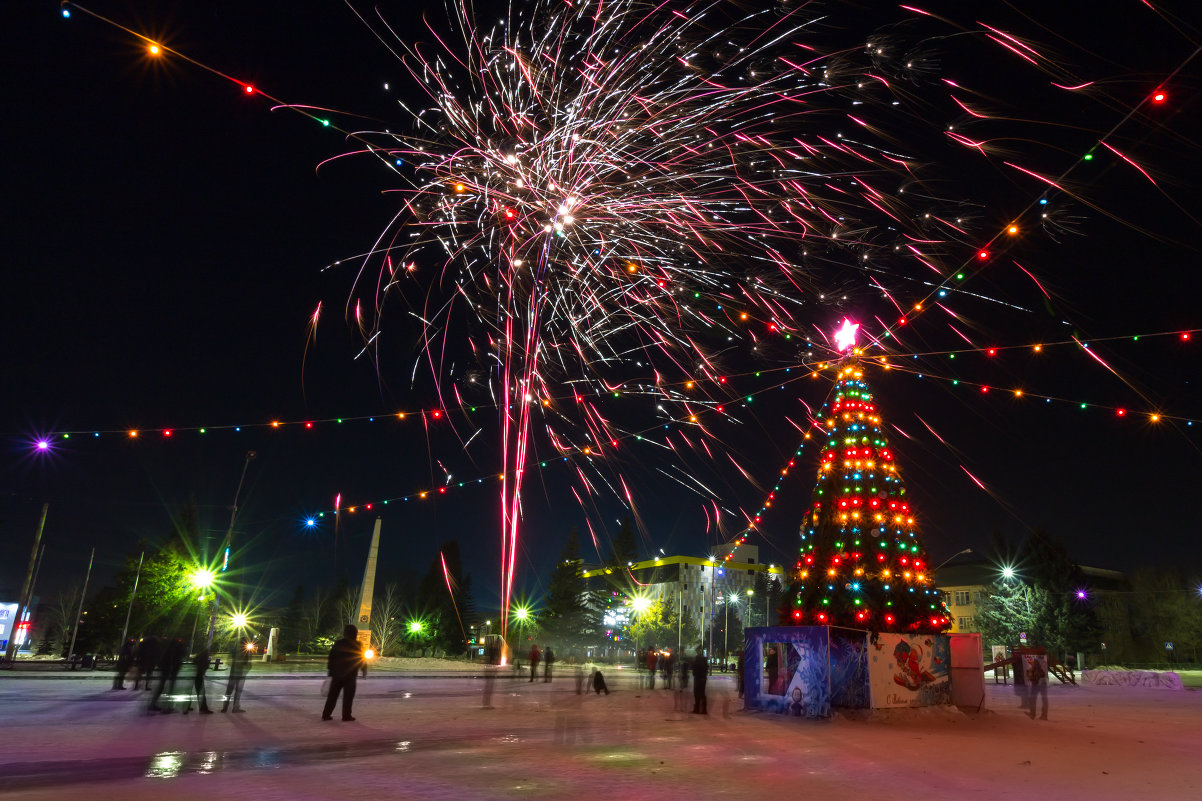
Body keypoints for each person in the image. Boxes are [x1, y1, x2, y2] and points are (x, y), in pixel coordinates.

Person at [322, 625, 365, 721]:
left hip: (337, 674)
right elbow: (361, 658)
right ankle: (346, 716)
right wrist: (363, 668)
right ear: (355, 634)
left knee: (332, 696)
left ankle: (326, 714)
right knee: (348, 697)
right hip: (350, 675)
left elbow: (331, 658)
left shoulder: (338, 643)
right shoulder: (357, 644)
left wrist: (330, 671)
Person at [150, 636, 186, 713]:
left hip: (167, 669)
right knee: (168, 687)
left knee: (163, 686)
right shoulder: (173, 650)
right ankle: (167, 706)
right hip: (169, 669)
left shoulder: (166, 649)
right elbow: (175, 659)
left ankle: (156, 704)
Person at [222, 639, 251, 713]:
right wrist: (245, 671)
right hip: (240, 675)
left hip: (233, 674)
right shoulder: (246, 652)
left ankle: (225, 707)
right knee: (238, 692)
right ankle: (235, 707)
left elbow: (228, 661)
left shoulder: (234, 650)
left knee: (228, 692)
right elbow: (249, 665)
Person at [183, 646, 213, 714]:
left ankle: (186, 707)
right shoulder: (205, 657)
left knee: (190, 692)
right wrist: (209, 660)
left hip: (194, 675)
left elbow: (194, 661)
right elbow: (206, 666)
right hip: (199, 676)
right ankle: (203, 708)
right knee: (201, 693)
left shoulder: (198, 656)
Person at [1026, 656, 1048, 720]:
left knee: (1032, 698)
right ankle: (1044, 715)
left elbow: (1032, 670)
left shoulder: (1036, 661)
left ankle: (1032, 714)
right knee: (1044, 699)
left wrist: (1029, 671)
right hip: (1043, 682)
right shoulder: (1044, 662)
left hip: (1037, 682)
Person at [691, 646, 708, 714]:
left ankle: (697, 709)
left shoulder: (697, 659)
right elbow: (706, 668)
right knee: (702, 693)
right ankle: (703, 709)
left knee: (697, 693)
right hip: (702, 678)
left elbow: (695, 668)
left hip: (698, 678)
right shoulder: (704, 659)